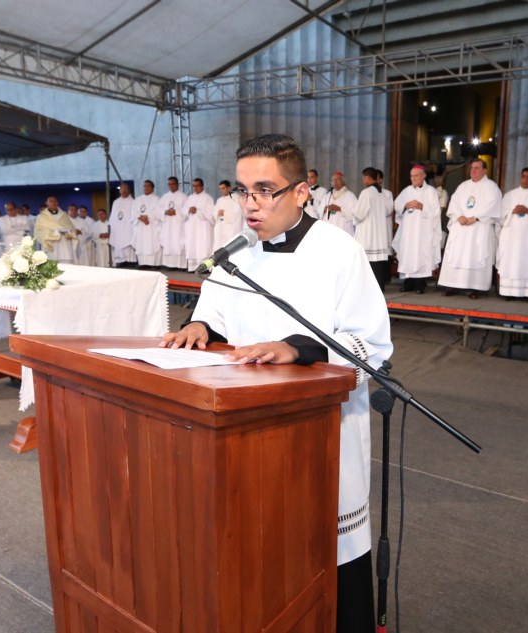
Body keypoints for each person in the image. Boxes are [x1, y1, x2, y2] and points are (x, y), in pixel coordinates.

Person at [160, 134, 391, 632]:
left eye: (265, 190)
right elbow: (214, 314)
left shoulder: (339, 251)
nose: (250, 204)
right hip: (244, 430)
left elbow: (372, 345)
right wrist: (200, 326)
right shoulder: (236, 253)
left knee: (323, 560)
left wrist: (298, 348)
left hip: (319, 433)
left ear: (302, 191)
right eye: (243, 191)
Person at [437, 159, 501, 299]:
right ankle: (452, 285)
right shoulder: (463, 186)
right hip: (461, 227)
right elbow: (454, 202)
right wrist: (459, 216)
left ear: (485, 170)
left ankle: (473, 288)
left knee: (475, 254)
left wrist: (476, 217)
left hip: (479, 227)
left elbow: (492, 205)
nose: (473, 170)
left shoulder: (491, 187)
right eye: (472, 168)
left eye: (477, 168)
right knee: (456, 254)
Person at [495, 167, 528, 300]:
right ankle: (508, 292)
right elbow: (500, 215)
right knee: (510, 261)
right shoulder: (510, 195)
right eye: (523, 176)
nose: (525, 180)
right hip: (511, 237)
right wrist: (512, 212)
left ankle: (527, 293)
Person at [392, 166, 442, 294]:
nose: (413, 178)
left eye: (416, 175)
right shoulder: (406, 191)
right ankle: (408, 282)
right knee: (408, 254)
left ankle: (420, 284)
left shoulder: (431, 191)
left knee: (420, 254)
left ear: (423, 176)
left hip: (422, 230)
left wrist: (422, 206)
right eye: (411, 176)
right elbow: (397, 205)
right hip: (408, 230)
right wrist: (405, 205)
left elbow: (436, 212)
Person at [353, 167, 393, 291]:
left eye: (364, 178)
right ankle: (379, 288)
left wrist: (354, 217)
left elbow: (359, 214)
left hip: (368, 232)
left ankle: (369, 289)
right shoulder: (381, 194)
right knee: (377, 263)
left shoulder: (366, 193)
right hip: (379, 233)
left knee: (368, 262)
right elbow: (387, 211)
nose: (363, 181)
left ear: (368, 178)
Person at [182, 178, 216, 271]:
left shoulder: (208, 198)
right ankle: (193, 267)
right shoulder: (190, 198)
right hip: (192, 228)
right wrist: (189, 210)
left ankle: (204, 268)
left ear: (202, 186)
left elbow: (211, 213)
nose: (195, 188)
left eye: (197, 186)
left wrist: (198, 211)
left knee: (204, 247)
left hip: (203, 228)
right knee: (192, 246)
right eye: (194, 186)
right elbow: (183, 211)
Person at [34, 197, 78, 263]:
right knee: (53, 263)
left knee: (67, 265)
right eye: (51, 201)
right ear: (47, 203)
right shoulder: (42, 216)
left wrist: (68, 232)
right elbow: (39, 231)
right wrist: (54, 233)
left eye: (55, 201)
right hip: (52, 245)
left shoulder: (64, 215)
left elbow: (72, 229)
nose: (53, 203)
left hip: (65, 244)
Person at [158, 176, 188, 269]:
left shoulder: (183, 197)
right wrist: (165, 212)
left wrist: (176, 212)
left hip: (179, 226)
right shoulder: (164, 197)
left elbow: (186, 211)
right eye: (169, 184)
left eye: (173, 184)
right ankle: (169, 265)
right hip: (167, 225)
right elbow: (157, 211)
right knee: (168, 243)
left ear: (177, 184)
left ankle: (181, 265)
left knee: (178, 243)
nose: (171, 186)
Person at [132, 180, 162, 267]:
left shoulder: (157, 199)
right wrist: (141, 218)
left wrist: (148, 218)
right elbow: (134, 212)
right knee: (141, 244)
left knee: (152, 243)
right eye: (144, 186)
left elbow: (158, 212)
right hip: (141, 226)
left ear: (152, 188)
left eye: (148, 186)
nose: (146, 187)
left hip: (152, 226)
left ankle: (155, 264)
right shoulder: (138, 200)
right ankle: (143, 263)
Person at [108, 183, 137, 266]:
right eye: (122, 189)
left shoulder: (133, 202)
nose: (123, 191)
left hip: (128, 227)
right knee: (118, 243)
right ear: (119, 191)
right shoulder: (116, 202)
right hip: (118, 228)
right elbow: (113, 217)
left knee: (129, 243)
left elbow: (135, 216)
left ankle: (131, 261)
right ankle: (121, 261)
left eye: (125, 189)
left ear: (129, 190)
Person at [211, 180, 243, 253]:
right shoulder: (219, 200)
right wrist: (218, 213)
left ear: (229, 188)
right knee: (219, 245)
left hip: (230, 228)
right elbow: (214, 212)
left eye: (223, 188)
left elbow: (237, 212)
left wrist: (225, 213)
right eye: (220, 189)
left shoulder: (235, 198)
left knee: (229, 247)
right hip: (220, 227)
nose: (221, 191)